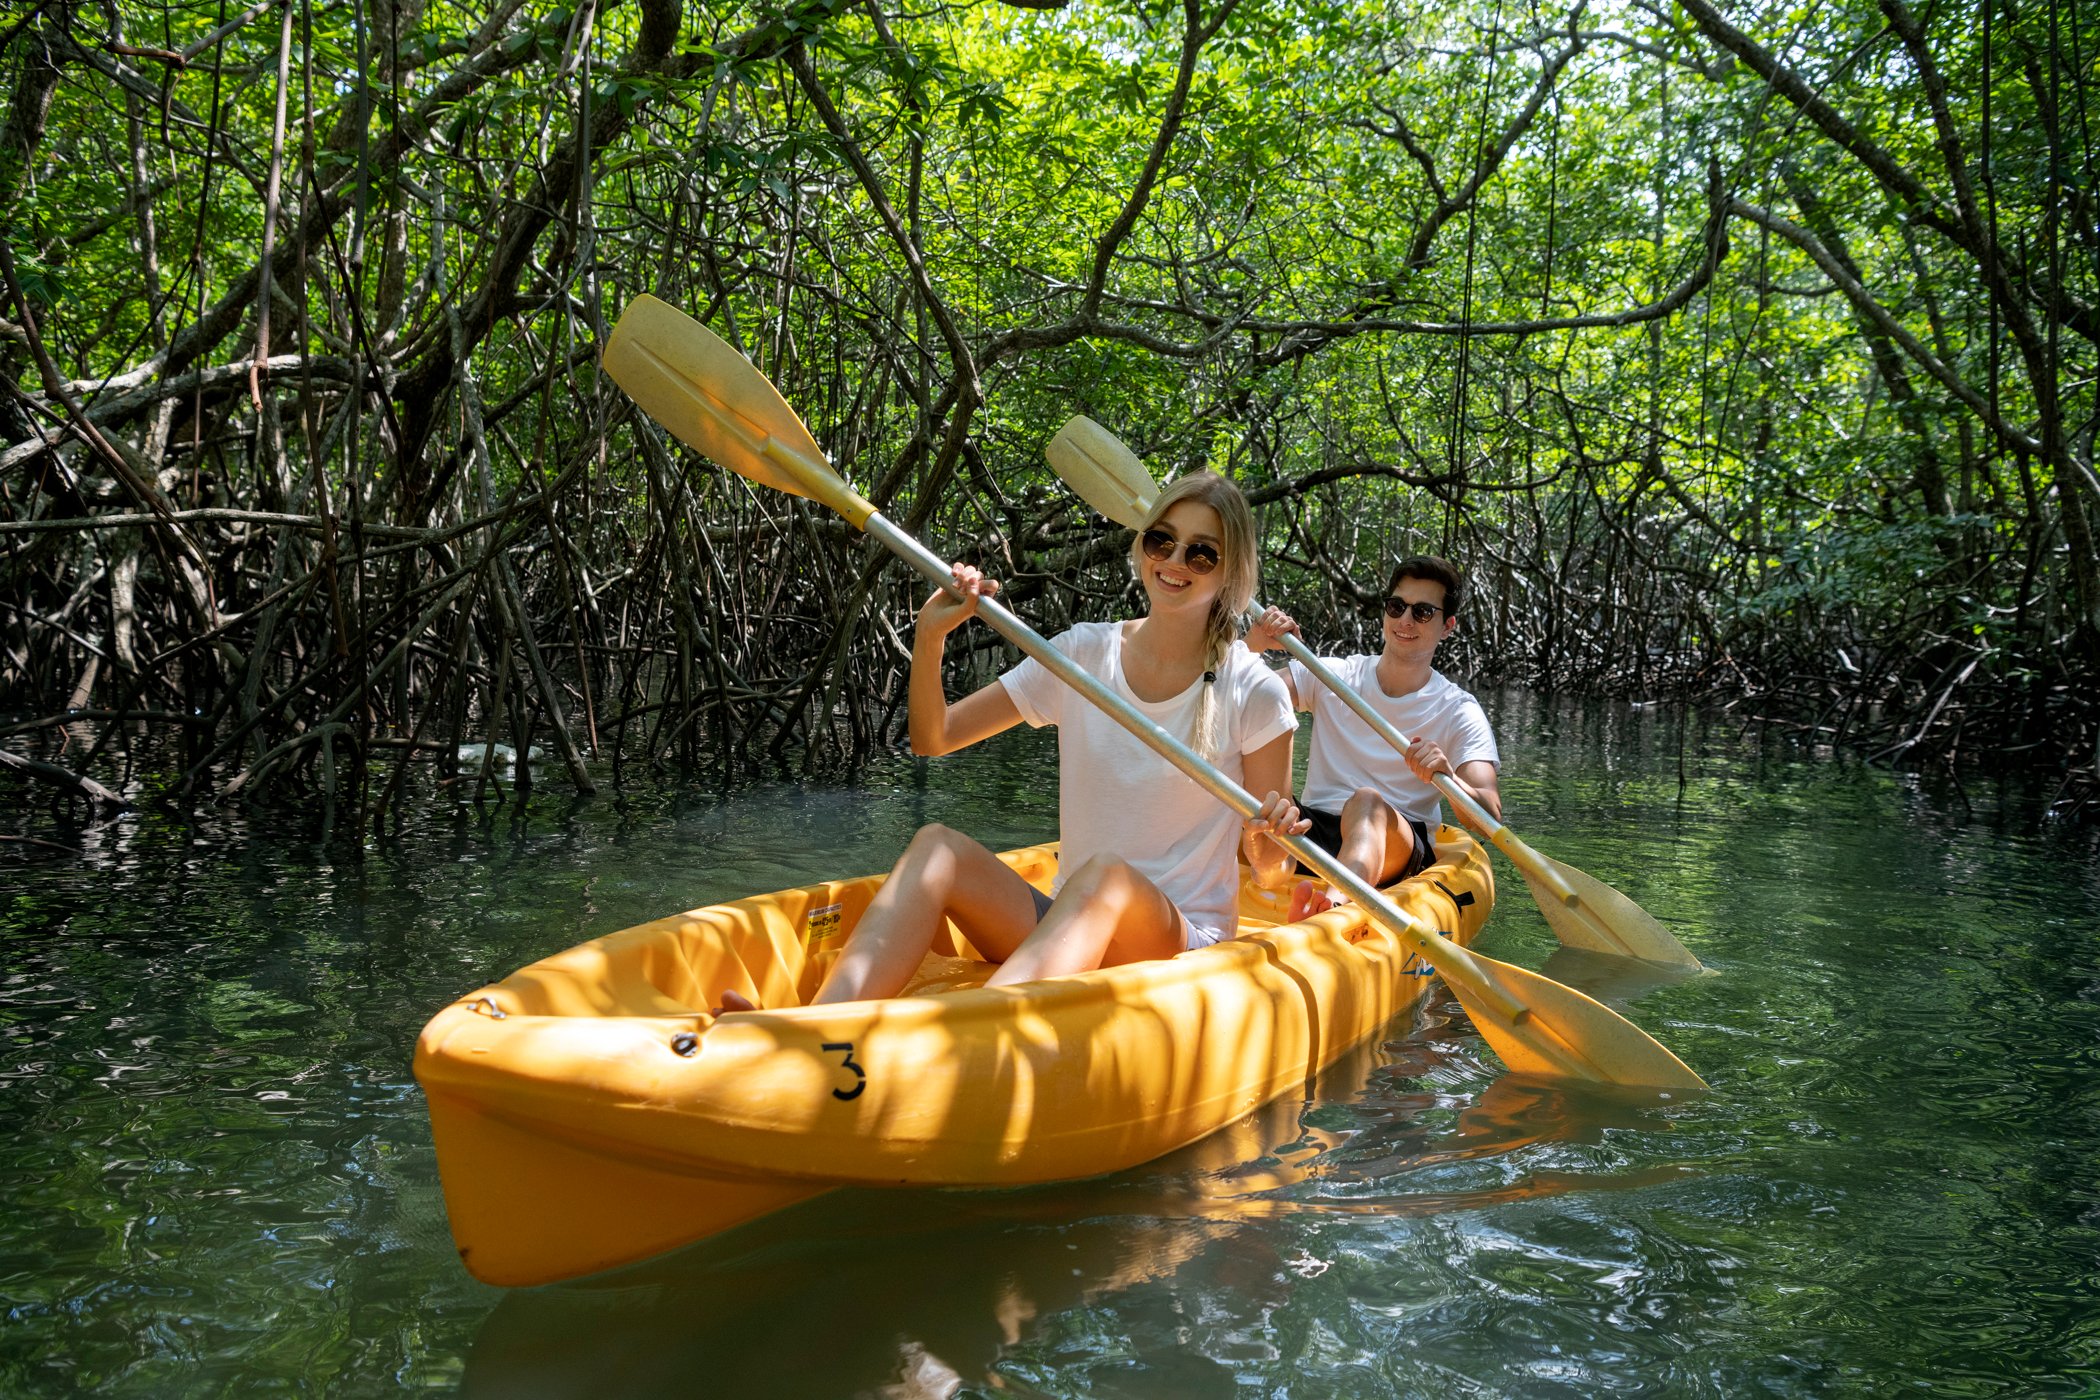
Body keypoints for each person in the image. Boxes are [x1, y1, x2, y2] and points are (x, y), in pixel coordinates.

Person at [721, 471, 1308, 1013]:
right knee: (937, 847)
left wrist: (1262, 843)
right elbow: (935, 738)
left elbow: (1273, 873)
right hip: (1072, 923)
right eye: (1162, 541)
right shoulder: (1080, 654)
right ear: (1143, 547)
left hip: (1181, 947)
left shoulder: (1254, 691)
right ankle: (819, 1026)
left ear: (1231, 572)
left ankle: (960, 1042)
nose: (1176, 562)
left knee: (1104, 875)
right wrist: (930, 636)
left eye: (1201, 552)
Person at [1243, 555, 1501, 920]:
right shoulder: (1332, 674)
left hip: (1395, 843)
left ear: (1447, 626)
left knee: (1366, 802)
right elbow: (1239, 699)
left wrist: (1448, 777)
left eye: (1423, 612)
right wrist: (1254, 646)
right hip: (1312, 829)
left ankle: (1333, 908)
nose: (1405, 620)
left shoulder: (1459, 709)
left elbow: (1488, 816)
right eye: (1397, 607)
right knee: (1238, 781)